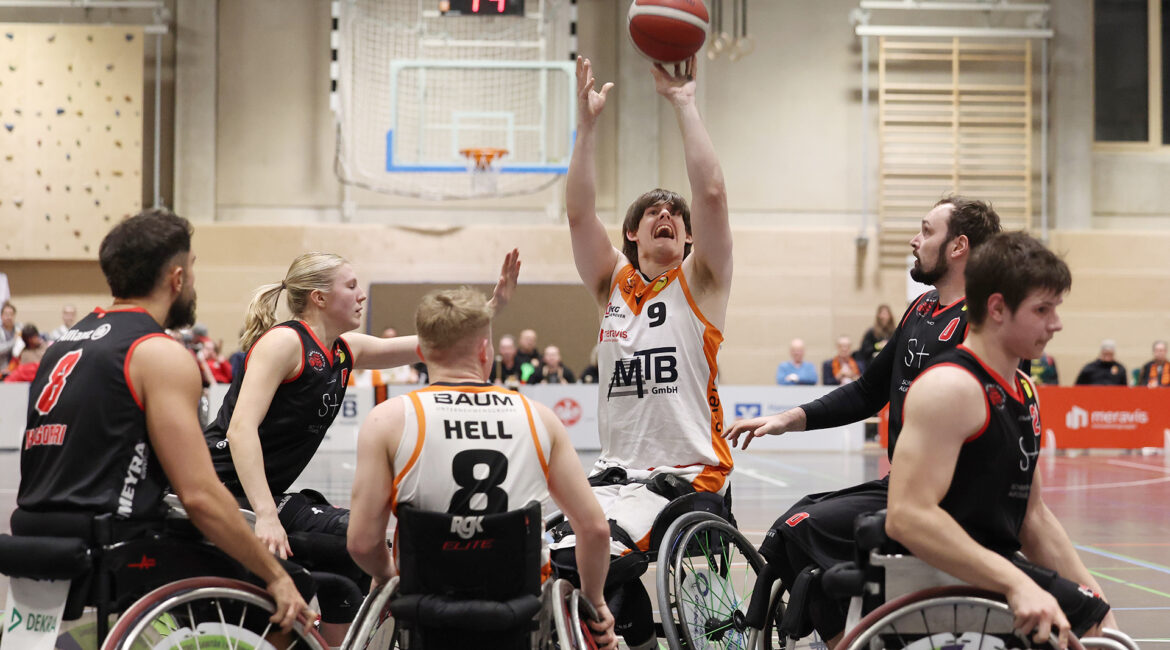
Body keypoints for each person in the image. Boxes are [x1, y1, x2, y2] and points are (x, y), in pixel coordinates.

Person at [16, 209, 314, 632]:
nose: (193, 281)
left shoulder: (63, 345)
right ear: (176, 278)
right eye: (192, 269)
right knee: (292, 591)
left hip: (33, 536)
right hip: (112, 546)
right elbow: (199, 495)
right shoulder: (158, 353)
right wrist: (276, 575)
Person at [203, 249, 518, 644]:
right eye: (351, 286)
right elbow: (241, 429)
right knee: (357, 539)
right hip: (223, 489)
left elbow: (432, 343)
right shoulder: (285, 342)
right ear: (319, 297)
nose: (361, 294)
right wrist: (266, 515)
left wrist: (493, 307)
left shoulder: (344, 349)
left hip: (259, 493)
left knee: (353, 560)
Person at [724, 196, 1000, 642]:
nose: (914, 240)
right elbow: (868, 391)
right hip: (900, 487)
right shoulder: (921, 308)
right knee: (793, 536)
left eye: (926, 231)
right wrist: (787, 419)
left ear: (958, 247)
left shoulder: (984, 326)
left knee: (800, 530)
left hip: (944, 501)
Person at [555, 54, 734, 650]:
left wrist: (684, 103)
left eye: (675, 214)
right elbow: (579, 213)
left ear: (688, 236)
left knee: (601, 560)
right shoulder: (612, 284)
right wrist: (586, 128)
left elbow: (712, 193)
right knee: (553, 558)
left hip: (689, 471)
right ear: (632, 234)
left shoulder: (701, 282)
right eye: (653, 211)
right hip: (617, 473)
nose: (667, 214)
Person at [347, 287, 616, 649]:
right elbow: (595, 530)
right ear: (486, 351)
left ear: (421, 353)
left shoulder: (387, 420)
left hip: (424, 609)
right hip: (519, 610)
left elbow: (362, 543)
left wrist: (388, 575)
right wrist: (596, 601)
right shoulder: (540, 418)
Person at [887, 231, 1116, 646]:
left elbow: (1033, 517)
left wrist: (1097, 599)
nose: (1056, 324)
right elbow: (907, 516)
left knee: (1101, 624)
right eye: (1042, 309)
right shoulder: (950, 388)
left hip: (995, 565)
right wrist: (1017, 582)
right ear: (996, 309)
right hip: (943, 573)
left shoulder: (1024, 389)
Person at [0, 301, 20, 372]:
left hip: (17, 368)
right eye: (6, 314)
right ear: (1, 316)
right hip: (2, 368)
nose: (9, 317)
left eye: (11, 314)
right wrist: (13, 341)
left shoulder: (19, 329)